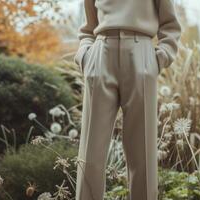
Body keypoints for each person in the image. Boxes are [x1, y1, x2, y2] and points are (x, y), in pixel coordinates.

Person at [73, 0, 181, 199]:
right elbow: (88, 26)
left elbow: (170, 25)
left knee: (143, 154)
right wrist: (85, 56)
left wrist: (160, 58)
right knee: (90, 154)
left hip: (141, 55)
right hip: (100, 54)